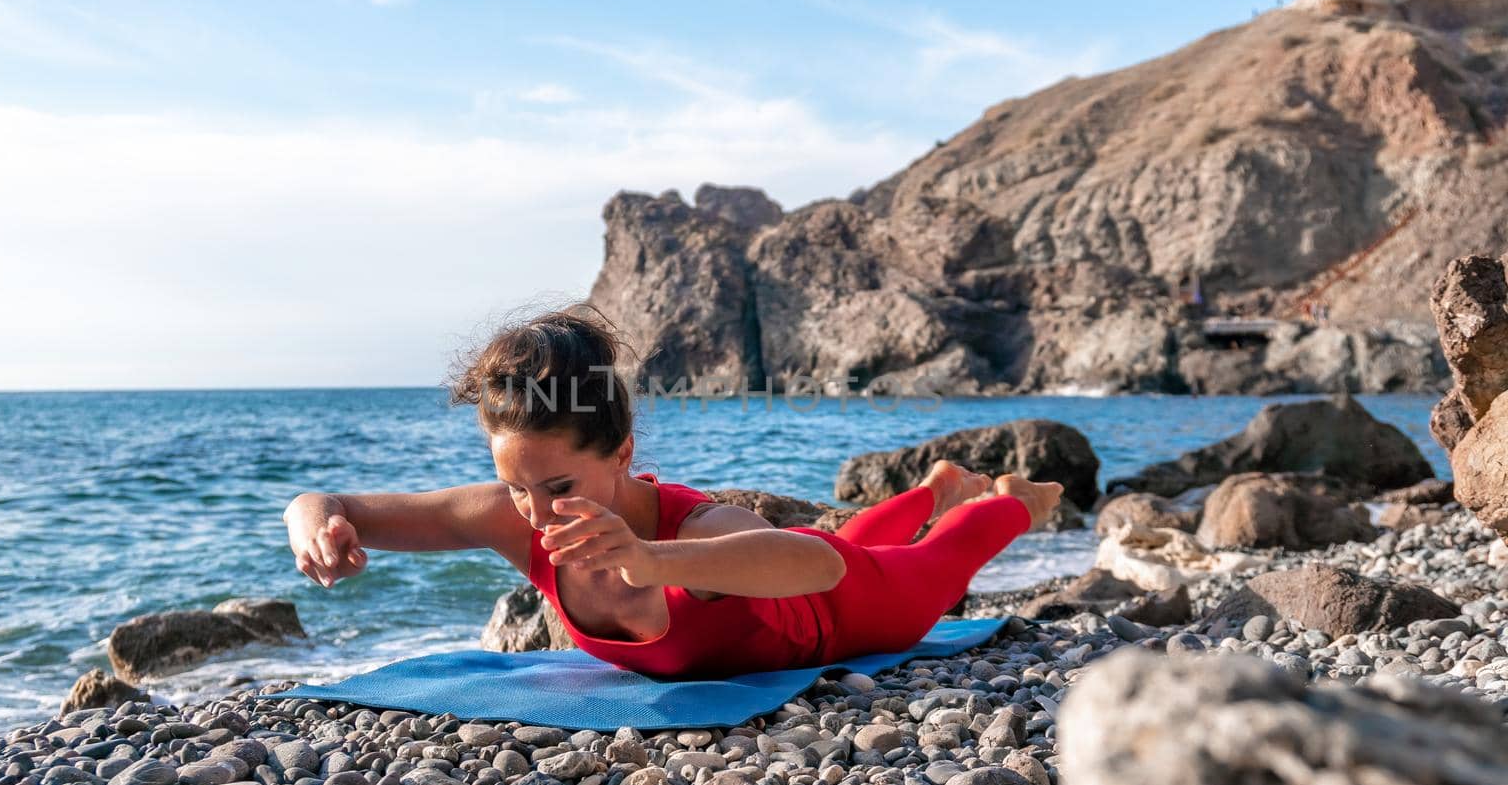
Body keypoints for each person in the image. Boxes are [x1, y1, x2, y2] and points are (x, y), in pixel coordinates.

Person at [281, 305, 1061, 678]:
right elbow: (339, 503)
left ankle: (1016, 497)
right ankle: (934, 486)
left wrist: (651, 560)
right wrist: (312, 520)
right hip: (817, 573)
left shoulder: (690, 530)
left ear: (622, 452)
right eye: (517, 487)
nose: (537, 512)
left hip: (854, 609)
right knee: (863, 530)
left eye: (558, 485)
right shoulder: (514, 514)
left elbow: (819, 568)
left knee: (941, 553)